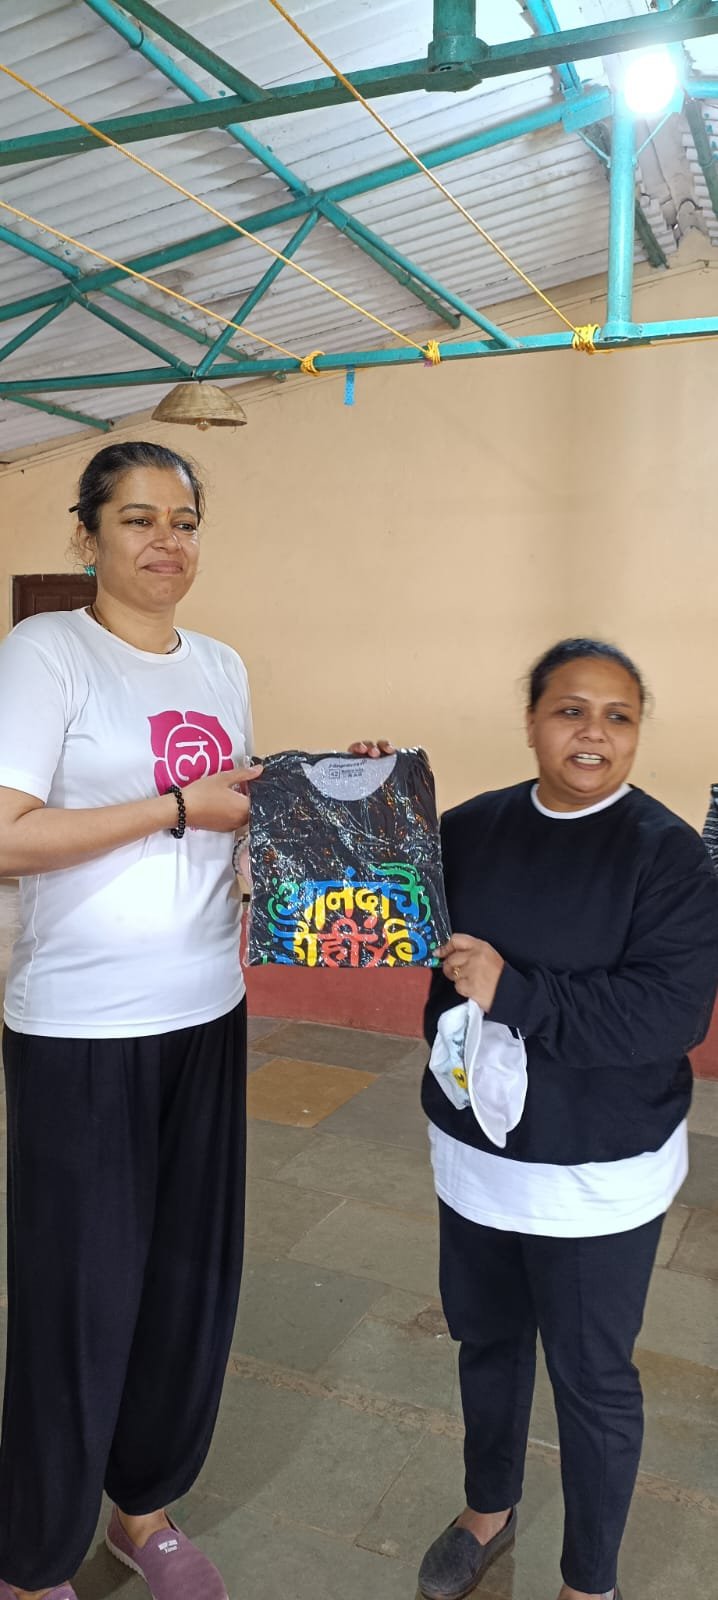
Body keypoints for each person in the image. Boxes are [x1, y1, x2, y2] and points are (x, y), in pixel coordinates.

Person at [396, 639, 718, 1600]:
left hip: (593, 1166)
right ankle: (487, 1508)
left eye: (619, 717)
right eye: (571, 709)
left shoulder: (665, 855)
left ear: (636, 735)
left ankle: (589, 1580)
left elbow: (668, 1017)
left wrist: (515, 992)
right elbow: (398, 919)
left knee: (592, 1378)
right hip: (479, 1150)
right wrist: (376, 802)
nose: (594, 733)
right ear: (534, 721)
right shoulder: (472, 828)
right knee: (487, 1339)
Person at [0, 441, 261, 1600]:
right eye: (140, 518)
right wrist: (171, 807)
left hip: (207, 1010)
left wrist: (337, 793)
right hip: (81, 1030)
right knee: (78, 1300)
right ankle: (33, 1557)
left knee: (185, 1286)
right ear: (87, 534)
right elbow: (5, 835)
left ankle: (139, 1510)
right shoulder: (47, 652)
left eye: (185, 521)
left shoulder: (222, 665)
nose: (168, 541)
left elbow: (235, 818)